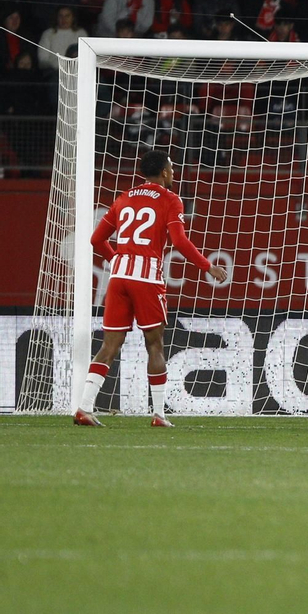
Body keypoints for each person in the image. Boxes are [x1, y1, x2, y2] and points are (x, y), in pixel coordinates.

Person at [72, 150, 213, 427]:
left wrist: (119, 259)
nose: (173, 173)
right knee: (155, 344)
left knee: (109, 345)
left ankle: (84, 408)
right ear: (164, 172)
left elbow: (96, 239)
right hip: (147, 279)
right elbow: (180, 241)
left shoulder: (124, 198)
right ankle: (159, 415)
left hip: (119, 277)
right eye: (171, 168)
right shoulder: (171, 200)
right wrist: (207, 266)